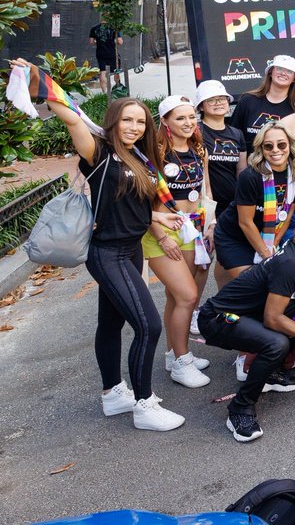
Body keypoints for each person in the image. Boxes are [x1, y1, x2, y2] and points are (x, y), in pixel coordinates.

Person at [17, 60, 187, 431]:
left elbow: (128, 203)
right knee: (148, 326)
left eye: (140, 121)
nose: (134, 127)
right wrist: (38, 78)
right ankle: (144, 405)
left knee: (110, 324)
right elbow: (72, 118)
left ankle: (113, 393)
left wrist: (156, 218)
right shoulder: (98, 151)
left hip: (131, 248)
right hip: (107, 253)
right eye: (127, 120)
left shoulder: (141, 158)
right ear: (113, 122)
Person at [198, 209, 295, 441]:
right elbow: (273, 319)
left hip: (249, 311)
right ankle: (240, 409)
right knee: (277, 343)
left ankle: (269, 373)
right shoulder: (290, 262)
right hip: (218, 318)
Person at [145, 96, 214, 389]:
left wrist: (209, 223)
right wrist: (160, 234)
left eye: (191, 117)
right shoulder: (155, 154)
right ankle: (182, 363)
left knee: (179, 297)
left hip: (192, 228)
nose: (188, 123)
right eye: (180, 118)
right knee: (186, 296)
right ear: (165, 122)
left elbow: (204, 189)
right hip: (162, 230)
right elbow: (142, 201)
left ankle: (173, 354)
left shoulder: (199, 150)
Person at [212, 125, 295, 285]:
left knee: (232, 284)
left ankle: (223, 301)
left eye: (281, 144)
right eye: (268, 146)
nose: (276, 150)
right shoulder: (250, 176)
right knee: (250, 285)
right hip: (234, 236)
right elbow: (245, 222)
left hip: (266, 234)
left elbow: (288, 214)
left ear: (290, 145)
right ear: (261, 149)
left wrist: (274, 244)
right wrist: (266, 254)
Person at [196, 80, 247, 289]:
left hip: (230, 207)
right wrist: (209, 216)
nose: (218, 103)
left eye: (222, 99)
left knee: (227, 262)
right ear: (201, 106)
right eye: (211, 100)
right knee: (202, 263)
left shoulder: (236, 134)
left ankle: (223, 307)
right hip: (204, 207)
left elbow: (241, 171)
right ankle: (193, 314)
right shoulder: (197, 131)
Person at [230, 55, 295, 148]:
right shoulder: (248, 101)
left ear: (294, 79)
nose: (283, 73)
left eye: (289, 71)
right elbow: (233, 136)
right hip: (249, 161)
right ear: (270, 72)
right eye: (279, 68)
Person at [89, 16, 122, 96]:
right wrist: (113, 42)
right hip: (112, 53)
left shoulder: (94, 28)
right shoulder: (114, 28)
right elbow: (120, 41)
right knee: (116, 71)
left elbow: (91, 42)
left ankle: (104, 92)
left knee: (103, 72)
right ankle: (118, 89)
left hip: (100, 53)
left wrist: (99, 42)